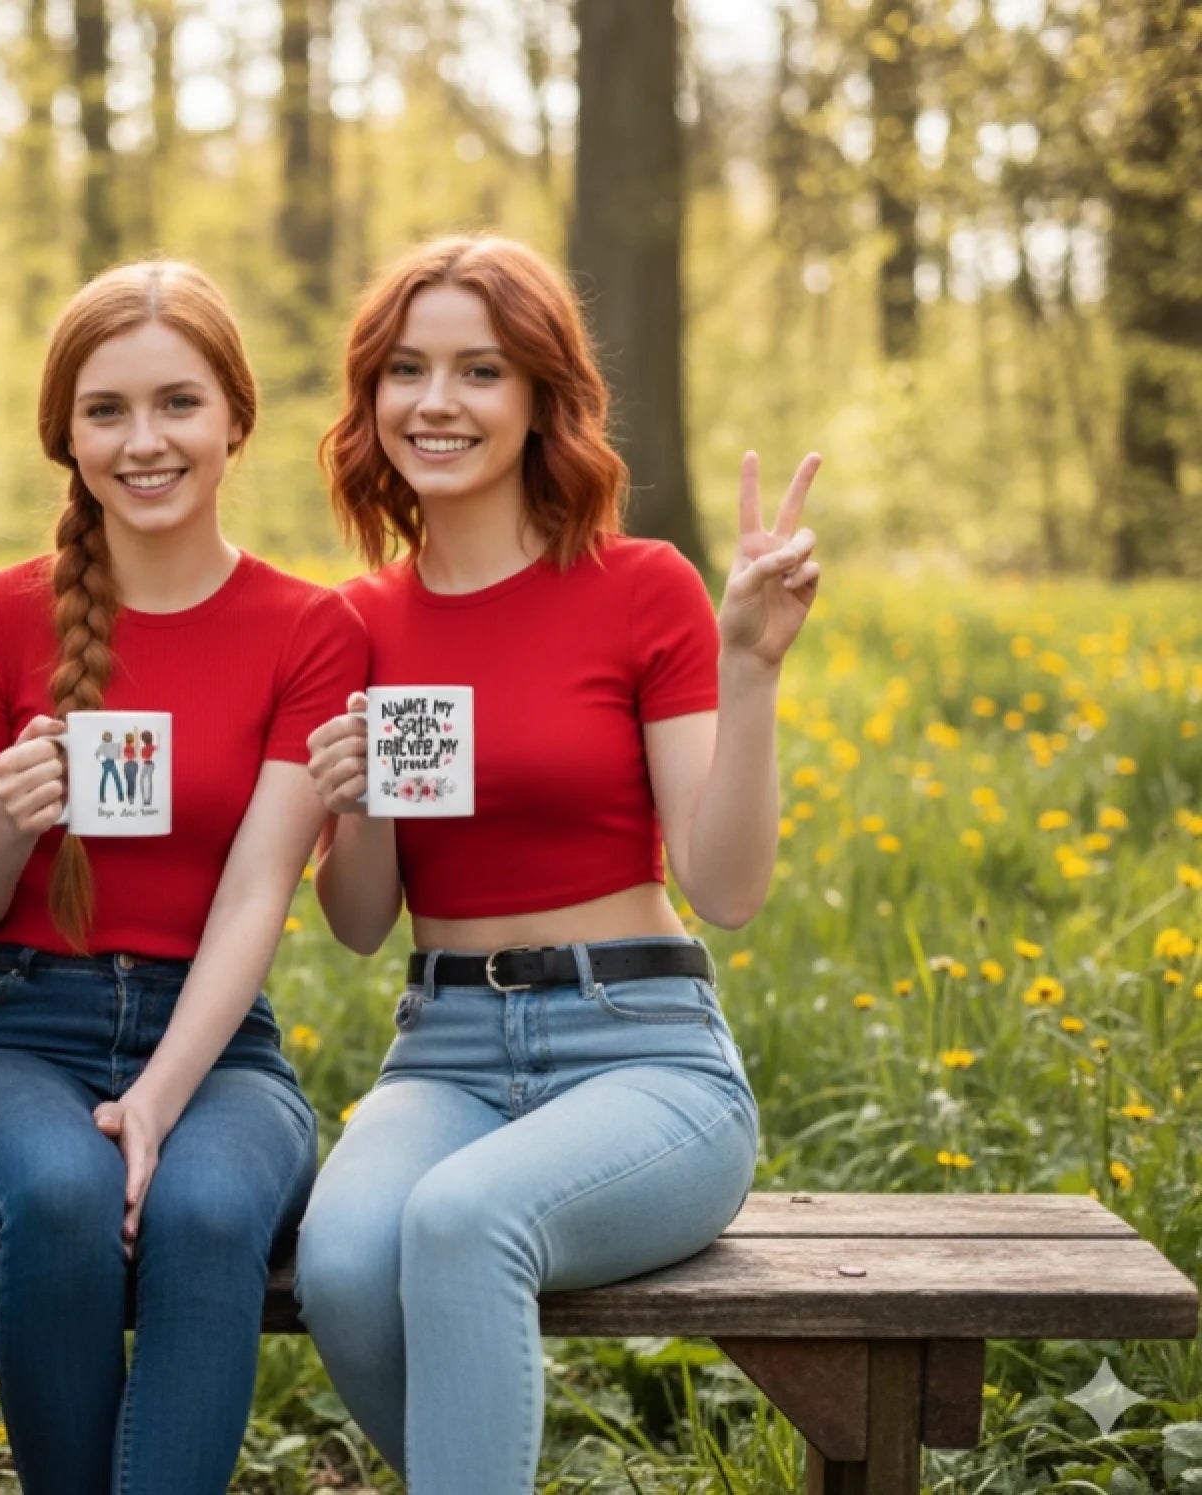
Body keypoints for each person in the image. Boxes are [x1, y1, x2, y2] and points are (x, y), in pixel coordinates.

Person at [294, 235, 821, 1491]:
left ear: (538, 397)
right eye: (406, 370)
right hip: (445, 1049)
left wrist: (750, 669)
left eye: (479, 370)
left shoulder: (639, 588)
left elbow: (726, 888)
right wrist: (353, 802)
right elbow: (361, 924)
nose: (437, 402)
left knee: (463, 1220)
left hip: (641, 1046)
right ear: (369, 400)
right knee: (340, 1258)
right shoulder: (356, 621)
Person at [0, 259, 368, 1495]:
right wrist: (14, 813)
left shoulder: (310, 629)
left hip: (220, 1049)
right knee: (60, 1194)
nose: (142, 439)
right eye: (105, 409)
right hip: (13, 1035)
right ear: (63, 432)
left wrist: (158, 1100)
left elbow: (256, 895)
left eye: (177, 403)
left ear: (234, 418)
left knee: (206, 1216)